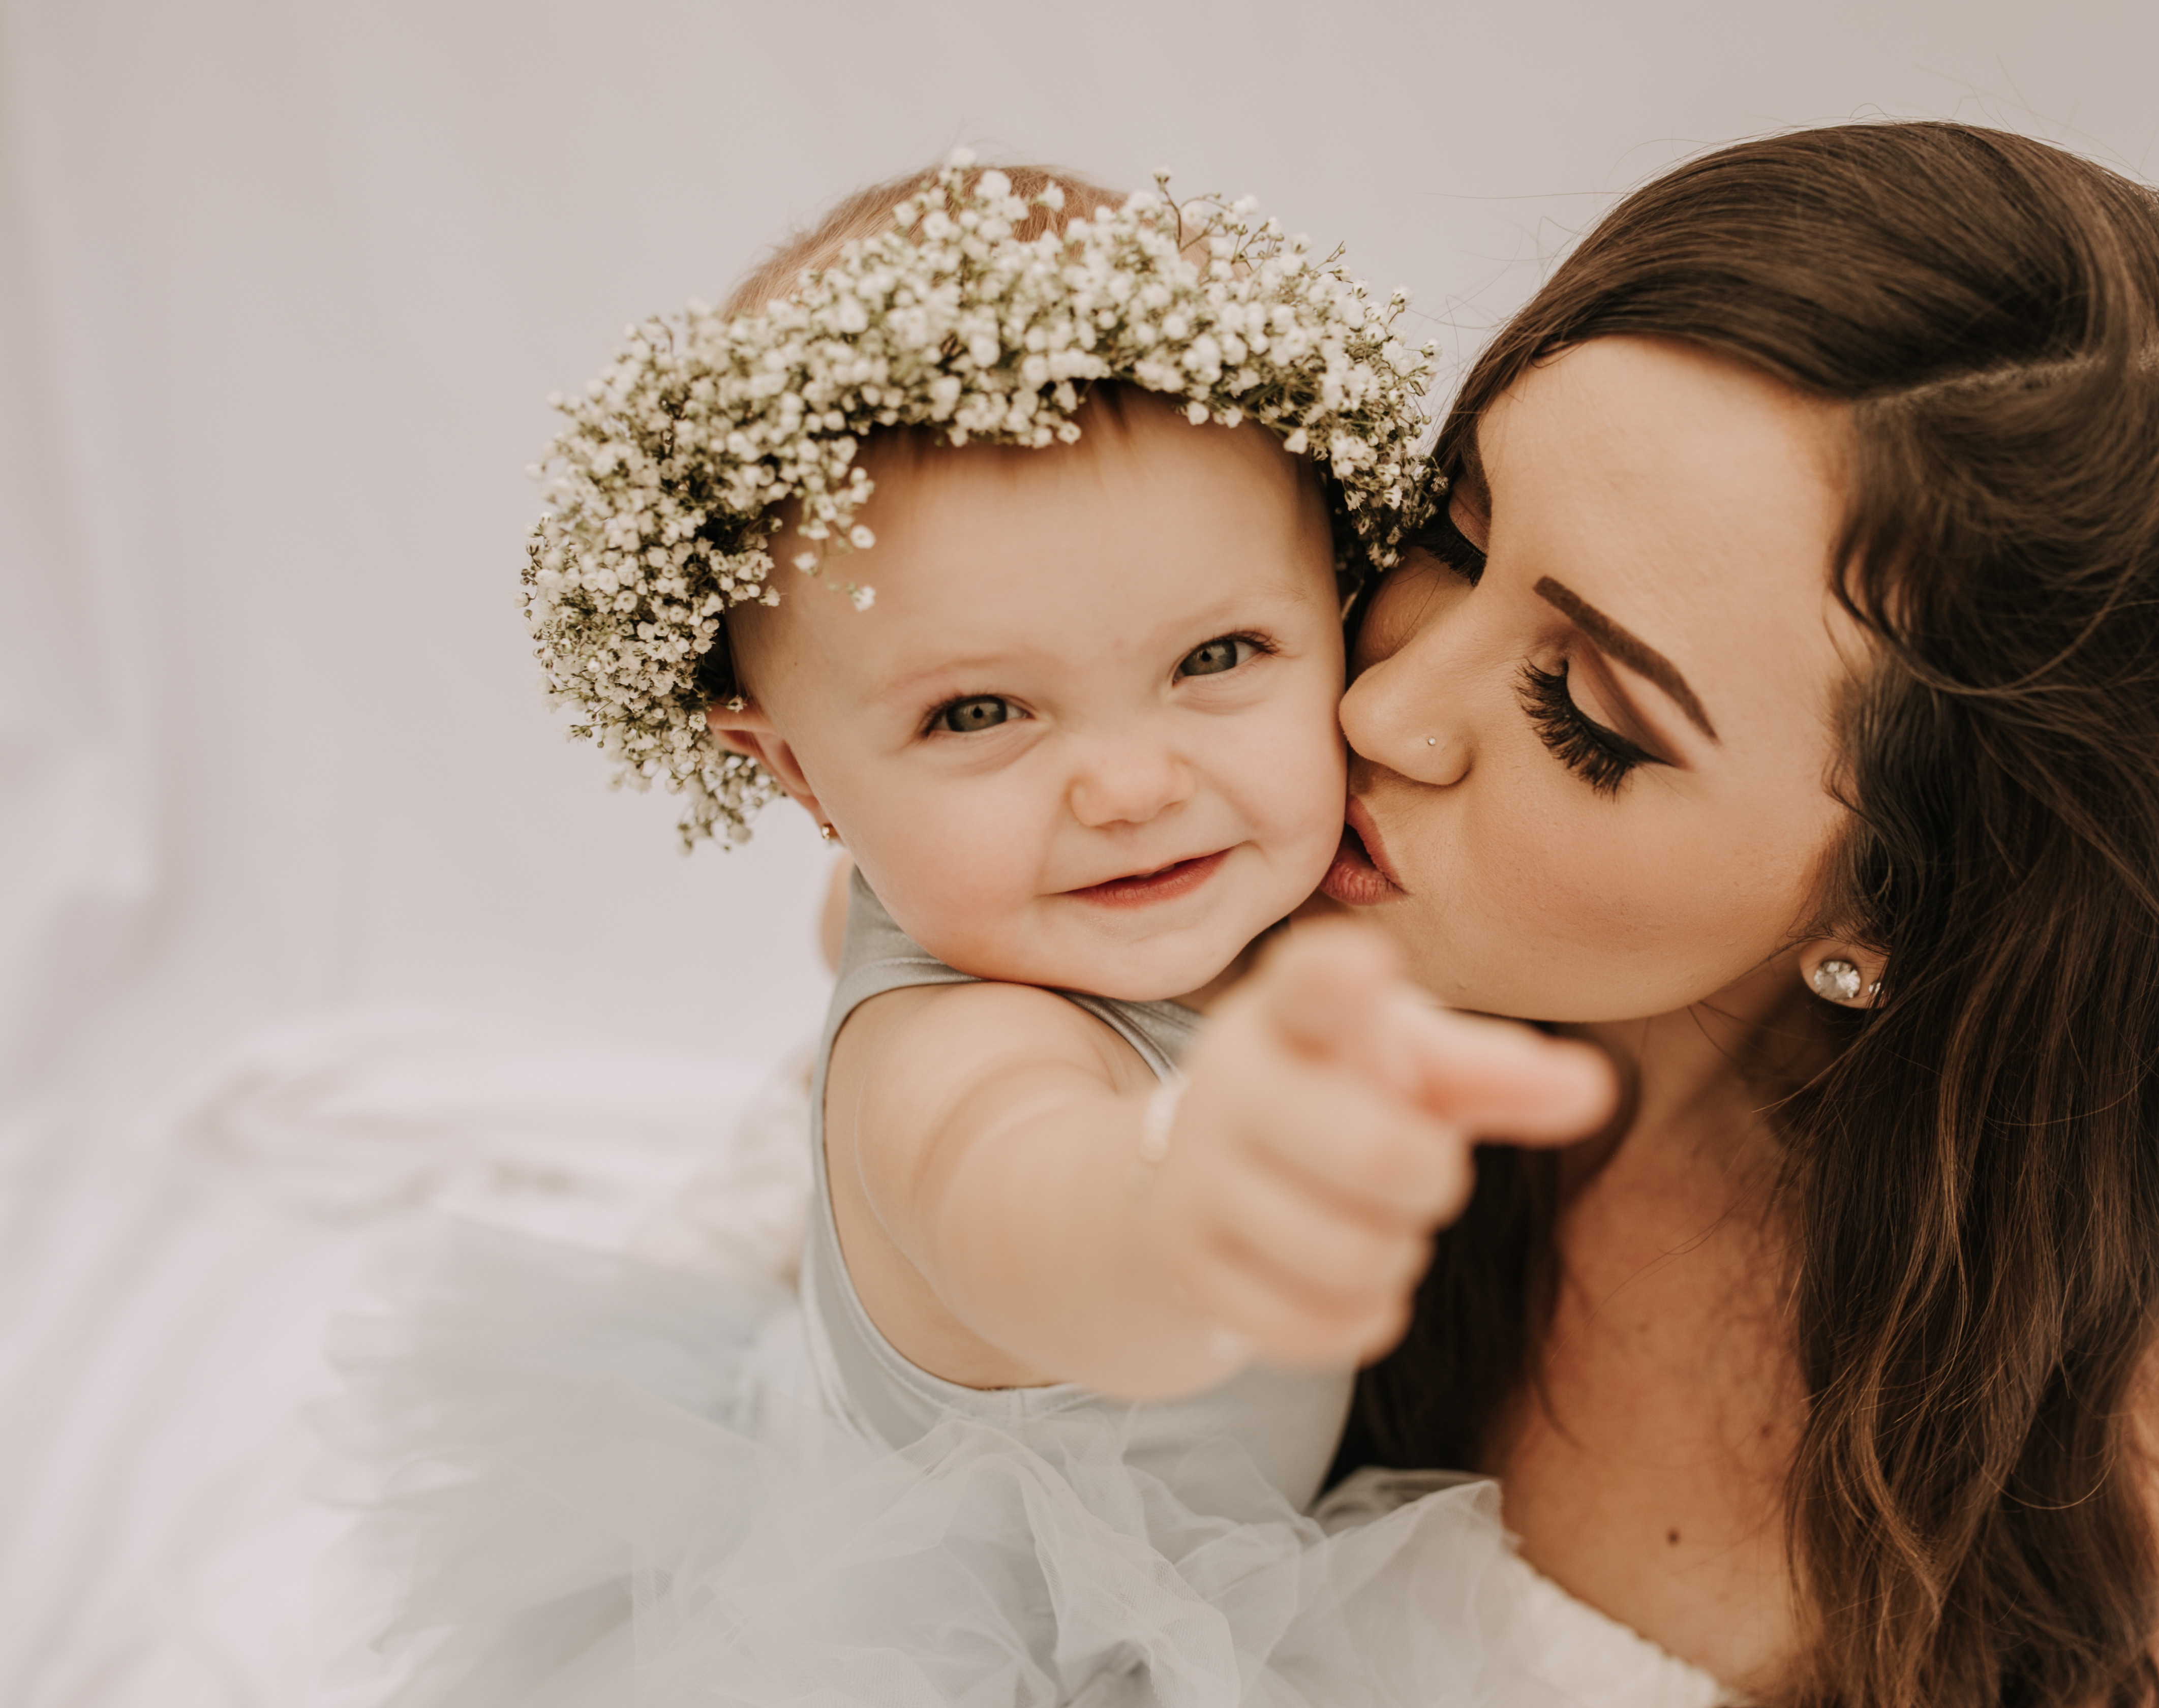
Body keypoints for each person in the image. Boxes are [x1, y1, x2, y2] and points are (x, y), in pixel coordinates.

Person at [331, 158, 1611, 1707]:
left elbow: (843, 927)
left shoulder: (974, 889)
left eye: (1220, 653)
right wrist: (1184, 1208)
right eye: (981, 713)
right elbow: (1030, 1200)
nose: (1136, 785)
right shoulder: (961, 1061)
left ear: (1333, 606)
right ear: (797, 771)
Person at [1174, 119, 2159, 1706]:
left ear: (1901, 901)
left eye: (1589, 711)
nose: (1390, 708)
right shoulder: (1203, 858)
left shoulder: (2057, 1523)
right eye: (1455, 536)